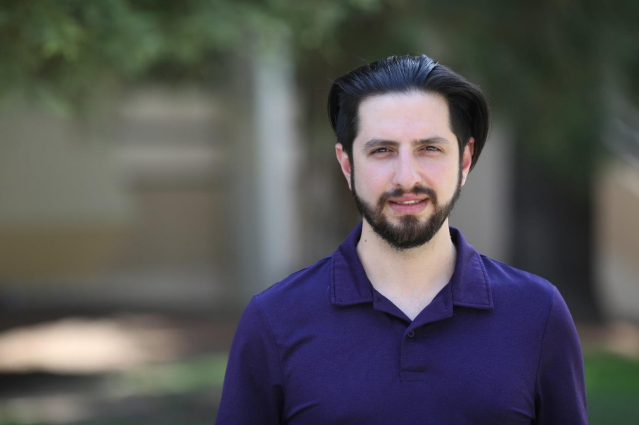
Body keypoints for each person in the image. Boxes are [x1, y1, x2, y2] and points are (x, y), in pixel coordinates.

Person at [215, 55, 587, 424]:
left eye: (430, 149)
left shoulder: (538, 314)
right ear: (347, 165)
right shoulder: (275, 320)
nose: (406, 178)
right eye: (382, 151)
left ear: (465, 160)